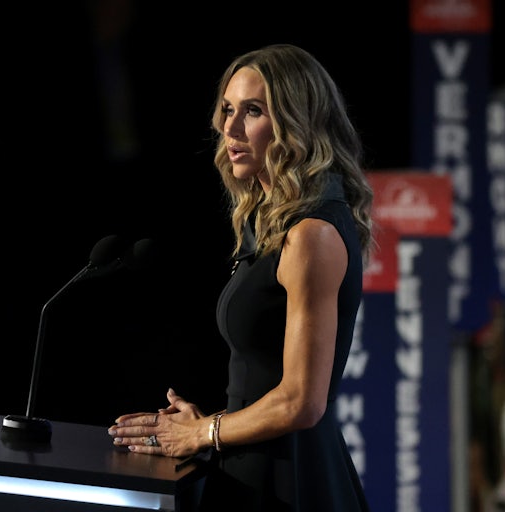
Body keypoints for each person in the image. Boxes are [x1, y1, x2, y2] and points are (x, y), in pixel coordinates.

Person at [107, 43, 374, 511]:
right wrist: (209, 426)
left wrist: (202, 432)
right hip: (249, 469)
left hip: (292, 482)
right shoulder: (272, 221)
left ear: (296, 121)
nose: (229, 127)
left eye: (252, 111)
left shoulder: (311, 233)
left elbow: (300, 402)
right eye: (228, 109)